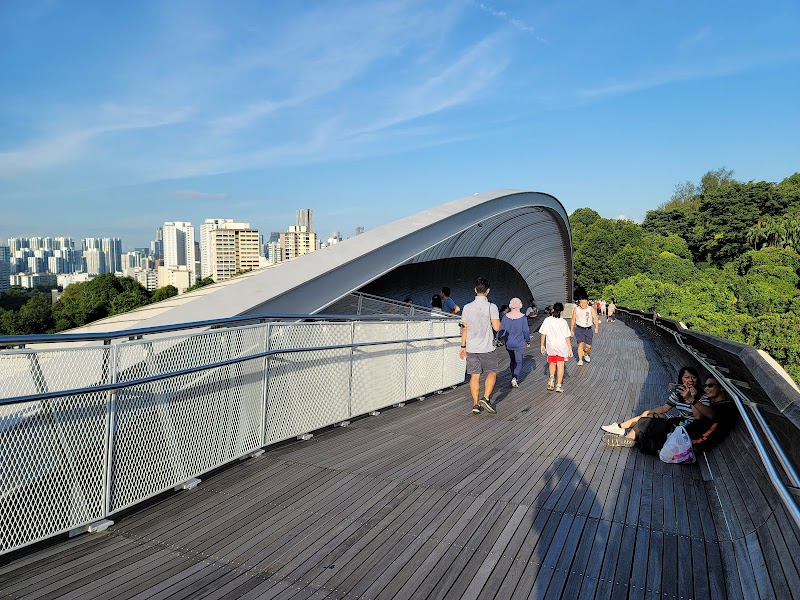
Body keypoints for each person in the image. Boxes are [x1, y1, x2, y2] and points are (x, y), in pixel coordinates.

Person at [600, 366, 705, 449]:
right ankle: (621, 429)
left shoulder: (702, 395)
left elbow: (698, 417)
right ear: (681, 379)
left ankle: (624, 434)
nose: (691, 380)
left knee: (649, 421)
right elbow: (664, 409)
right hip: (679, 421)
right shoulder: (679, 393)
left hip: (689, 427)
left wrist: (692, 398)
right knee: (650, 415)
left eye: (693, 377)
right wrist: (647, 412)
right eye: (687, 377)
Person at [459, 277, 501, 414]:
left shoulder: (466, 307)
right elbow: (496, 327)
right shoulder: (492, 307)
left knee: (474, 376)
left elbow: (464, 328)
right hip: (487, 347)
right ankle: (486, 398)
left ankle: (475, 404)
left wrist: (463, 346)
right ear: (488, 291)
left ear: (475, 290)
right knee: (492, 372)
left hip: (471, 347)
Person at [685, 376, 738, 452]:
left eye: (710, 386)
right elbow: (698, 416)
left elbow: (712, 415)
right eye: (705, 386)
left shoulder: (728, 406)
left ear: (722, 388)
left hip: (695, 444)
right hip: (689, 437)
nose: (706, 389)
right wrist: (693, 397)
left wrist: (691, 399)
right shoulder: (714, 403)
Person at [538, 302, 573, 392]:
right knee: (560, 365)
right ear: (561, 311)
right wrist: (570, 349)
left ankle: (551, 378)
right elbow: (567, 337)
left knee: (552, 362)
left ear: (553, 309)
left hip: (551, 345)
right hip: (561, 346)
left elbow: (543, 333)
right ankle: (558, 385)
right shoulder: (563, 322)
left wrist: (542, 345)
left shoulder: (547, 320)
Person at [497, 297, 531, 388]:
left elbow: (501, 330)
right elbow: (526, 331)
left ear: (510, 305)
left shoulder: (505, 317)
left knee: (512, 360)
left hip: (509, 343)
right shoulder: (523, 317)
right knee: (519, 361)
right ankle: (515, 378)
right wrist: (528, 341)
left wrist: (498, 338)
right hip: (519, 343)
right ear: (520, 305)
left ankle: (513, 376)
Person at [570, 296, 599, 366]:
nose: (583, 304)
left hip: (588, 329)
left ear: (587, 302)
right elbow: (573, 319)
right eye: (581, 303)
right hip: (579, 329)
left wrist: (596, 327)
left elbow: (595, 318)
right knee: (580, 344)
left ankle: (585, 353)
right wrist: (571, 329)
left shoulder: (590, 309)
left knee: (588, 347)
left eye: (584, 303)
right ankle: (580, 360)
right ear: (579, 302)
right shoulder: (576, 309)